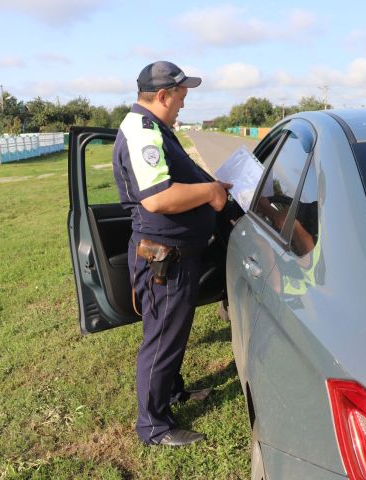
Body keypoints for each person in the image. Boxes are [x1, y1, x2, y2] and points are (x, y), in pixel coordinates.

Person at [112, 61, 231, 447]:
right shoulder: (143, 132)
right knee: (162, 338)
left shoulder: (155, 128)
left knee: (170, 332)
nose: (183, 104)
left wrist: (211, 183)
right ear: (162, 95)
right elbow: (159, 198)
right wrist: (211, 194)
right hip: (164, 257)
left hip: (174, 253)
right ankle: (153, 426)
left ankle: (172, 393)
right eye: (180, 96)